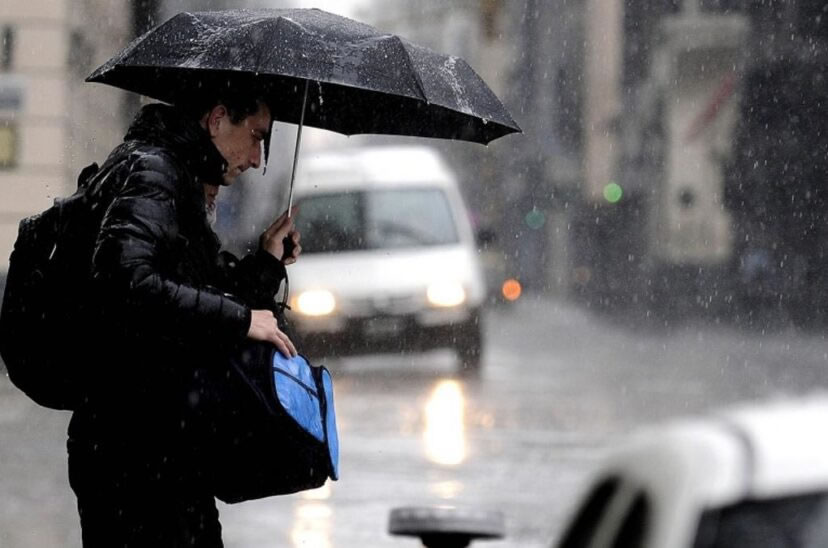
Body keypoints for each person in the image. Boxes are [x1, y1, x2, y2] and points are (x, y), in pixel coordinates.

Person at [67, 90, 301, 547]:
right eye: (255, 138)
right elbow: (126, 281)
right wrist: (240, 319)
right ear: (217, 119)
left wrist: (267, 265)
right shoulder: (156, 171)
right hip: (133, 453)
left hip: (157, 445)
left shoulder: (180, 178)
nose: (256, 158)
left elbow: (192, 295)